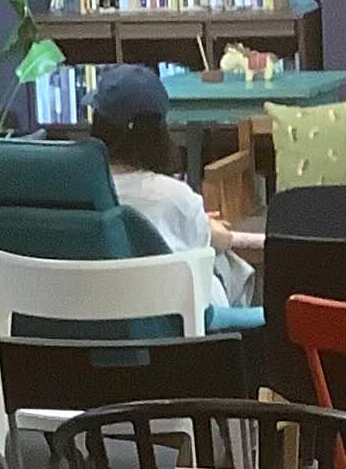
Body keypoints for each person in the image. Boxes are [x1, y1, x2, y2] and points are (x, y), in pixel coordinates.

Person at [84, 66, 254, 302]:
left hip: (87, 305)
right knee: (225, 262)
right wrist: (208, 227)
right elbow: (220, 240)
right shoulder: (175, 196)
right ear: (158, 134)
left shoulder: (74, 190)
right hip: (168, 314)